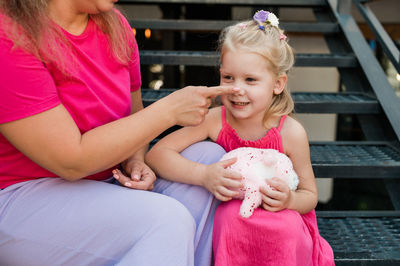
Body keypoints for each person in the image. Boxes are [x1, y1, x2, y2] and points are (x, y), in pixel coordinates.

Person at [0, 1, 240, 265]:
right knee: (164, 219)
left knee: (209, 159)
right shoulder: (9, 36)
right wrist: (167, 111)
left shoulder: (115, 26)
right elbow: (70, 161)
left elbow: (134, 119)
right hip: (23, 199)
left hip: (106, 182)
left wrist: (135, 161)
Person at [145, 10, 334, 265]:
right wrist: (203, 175)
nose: (237, 89)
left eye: (250, 80)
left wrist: (289, 199)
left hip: (280, 218)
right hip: (233, 220)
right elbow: (157, 154)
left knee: (287, 227)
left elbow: (310, 194)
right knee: (228, 218)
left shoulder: (290, 133)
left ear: (278, 84)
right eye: (228, 77)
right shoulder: (216, 119)